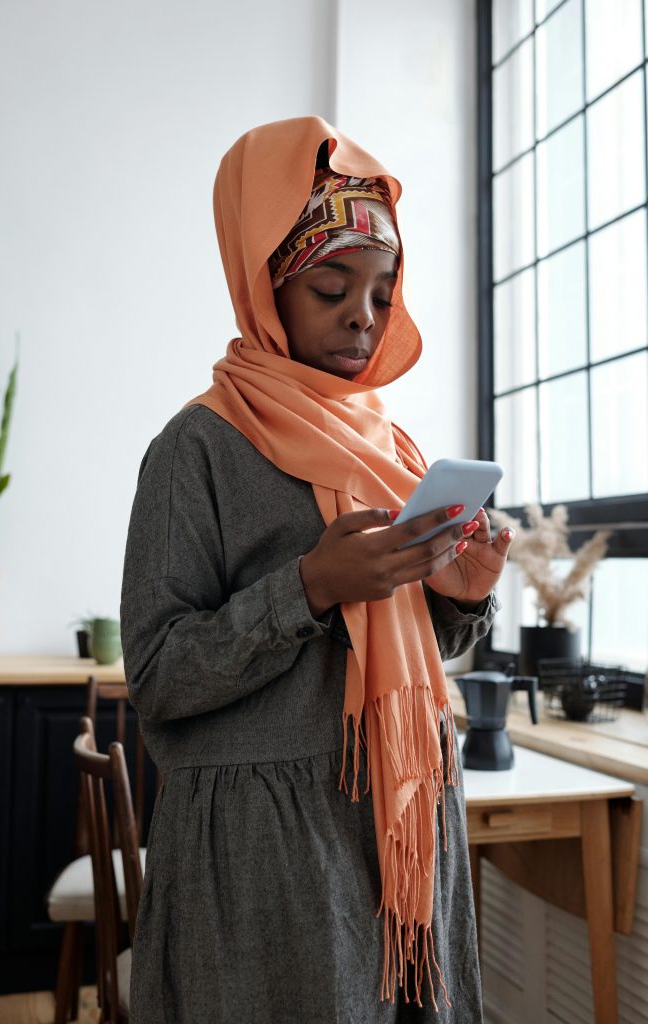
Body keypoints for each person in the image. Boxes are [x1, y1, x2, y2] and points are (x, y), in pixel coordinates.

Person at [120, 115, 514, 1023]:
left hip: (405, 824)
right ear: (266, 286)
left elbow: (404, 649)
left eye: (381, 292)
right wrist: (310, 586)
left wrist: (460, 600)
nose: (361, 316)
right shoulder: (196, 449)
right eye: (331, 287)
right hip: (270, 853)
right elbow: (159, 674)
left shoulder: (390, 446)